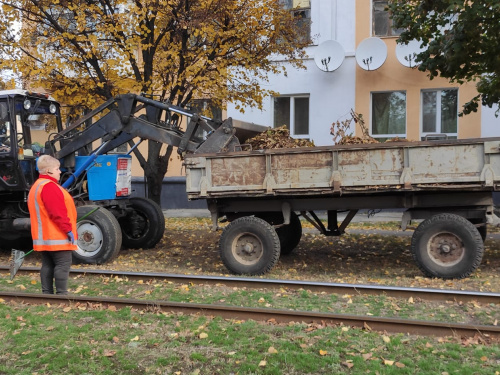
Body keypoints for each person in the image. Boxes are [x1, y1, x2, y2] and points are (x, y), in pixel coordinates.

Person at [27, 155, 78, 295]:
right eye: (57, 168)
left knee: (48, 265)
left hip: (44, 236)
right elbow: (58, 213)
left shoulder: (37, 186)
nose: (60, 171)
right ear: (49, 171)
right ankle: (62, 294)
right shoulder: (50, 187)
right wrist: (68, 229)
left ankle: (47, 294)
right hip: (57, 236)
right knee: (63, 264)